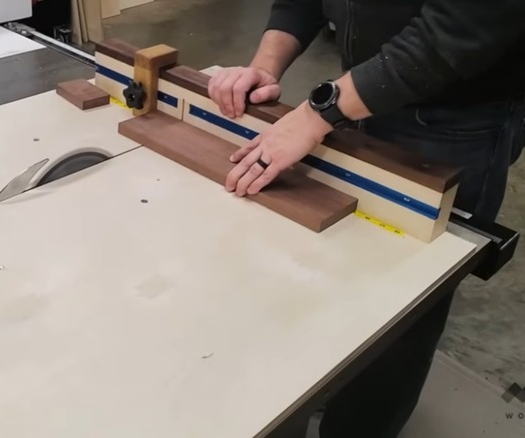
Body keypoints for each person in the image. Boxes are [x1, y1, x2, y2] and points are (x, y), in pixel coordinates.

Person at [207, 1, 525, 437]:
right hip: (356, 91)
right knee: (346, 272)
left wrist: (317, 113)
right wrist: (265, 66)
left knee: (404, 310)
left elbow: (455, 32)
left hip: (452, 120)